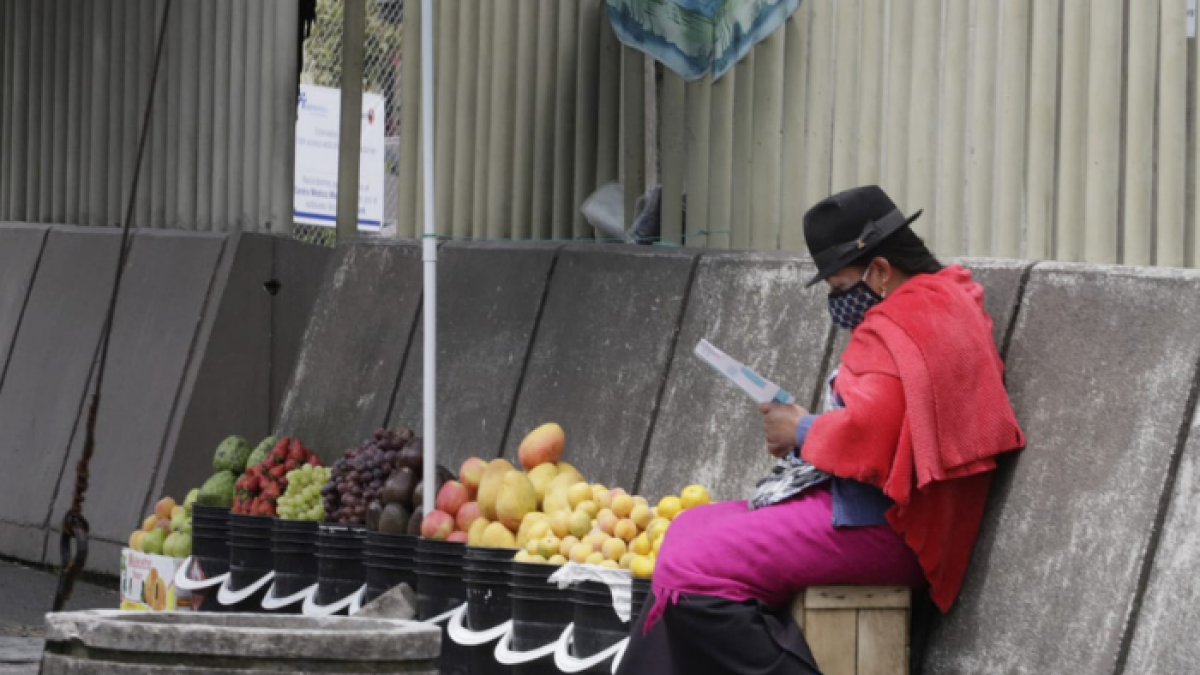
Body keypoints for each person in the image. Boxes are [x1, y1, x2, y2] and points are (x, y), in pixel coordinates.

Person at [615, 185, 1026, 675]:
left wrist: (801, 429)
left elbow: (871, 434)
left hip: (896, 528)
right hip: (885, 512)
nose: (837, 303)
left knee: (693, 563)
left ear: (878, 272)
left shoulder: (909, 318)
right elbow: (890, 424)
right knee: (687, 530)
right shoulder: (940, 300)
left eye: (838, 287)